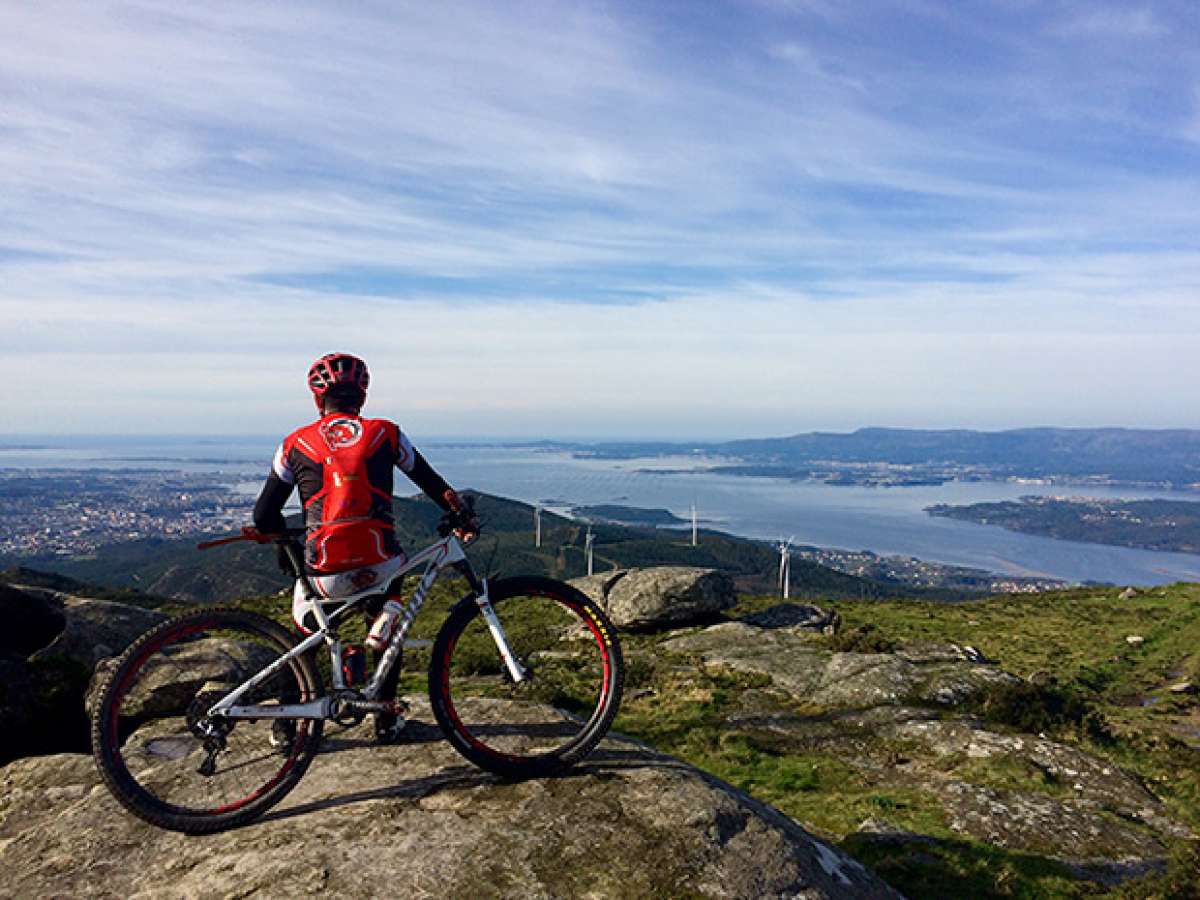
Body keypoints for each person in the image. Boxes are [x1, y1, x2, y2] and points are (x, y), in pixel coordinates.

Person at [253, 352, 477, 743]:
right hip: (380, 564)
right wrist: (459, 512)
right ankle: (386, 720)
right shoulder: (385, 433)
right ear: (363, 394)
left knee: (302, 641)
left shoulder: (293, 443)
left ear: (317, 398)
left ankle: (287, 727)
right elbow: (431, 482)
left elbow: (263, 515)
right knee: (389, 629)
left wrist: (283, 539)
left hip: (322, 571)